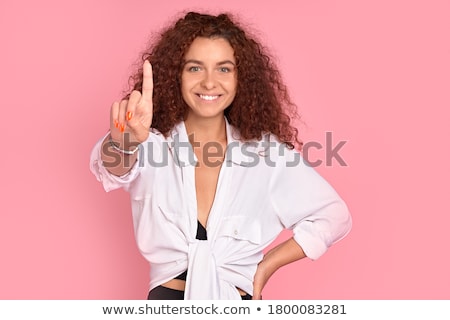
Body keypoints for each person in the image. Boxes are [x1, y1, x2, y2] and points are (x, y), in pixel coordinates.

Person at [90, 11, 352, 300]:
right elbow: (113, 166)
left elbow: (334, 215)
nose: (209, 82)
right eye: (195, 68)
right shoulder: (152, 144)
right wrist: (124, 143)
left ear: (242, 78)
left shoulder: (266, 154)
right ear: (176, 74)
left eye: (224, 69)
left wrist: (267, 266)